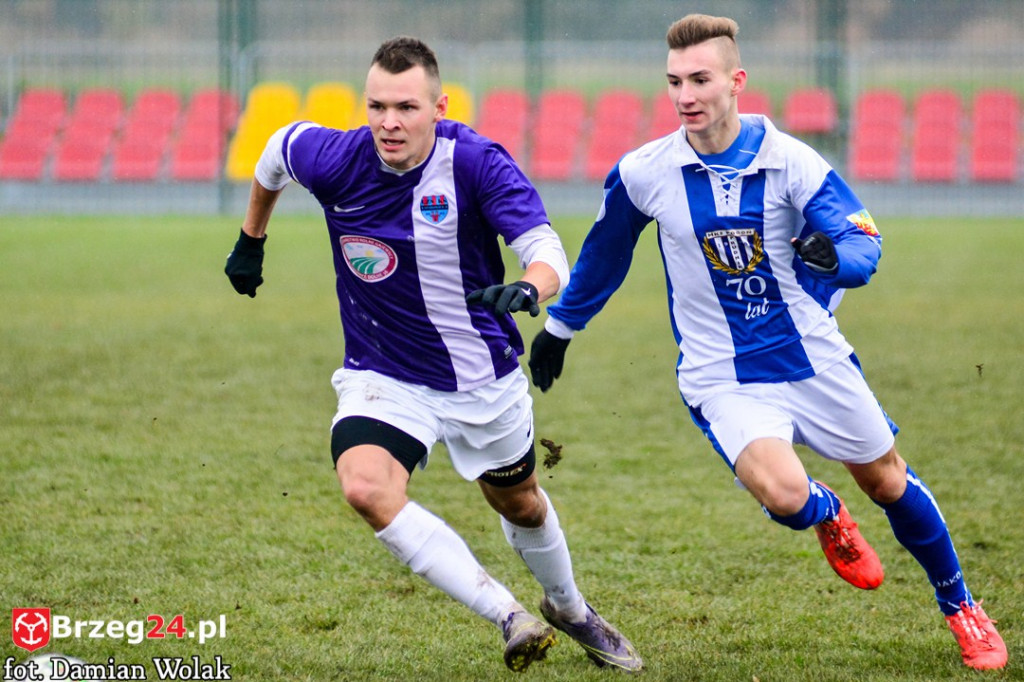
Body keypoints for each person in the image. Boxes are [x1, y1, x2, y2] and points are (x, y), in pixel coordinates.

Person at [528, 14, 1006, 672]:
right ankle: (825, 512)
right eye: (674, 82)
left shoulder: (792, 161)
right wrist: (560, 328)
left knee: (887, 480)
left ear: (736, 81)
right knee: (784, 497)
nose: (685, 95)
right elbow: (604, 256)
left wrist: (833, 257)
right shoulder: (645, 171)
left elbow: (863, 241)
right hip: (722, 373)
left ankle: (962, 608)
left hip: (811, 358)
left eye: (700, 79)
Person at [223, 36, 642, 674]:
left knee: (520, 501)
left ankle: (569, 607)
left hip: (481, 379)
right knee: (364, 486)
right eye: (377, 106)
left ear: (438, 106)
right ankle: (508, 615)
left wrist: (531, 286)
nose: (390, 122)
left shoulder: (475, 162)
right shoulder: (335, 156)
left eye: (407, 108)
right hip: (384, 373)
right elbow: (276, 152)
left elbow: (546, 246)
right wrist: (251, 238)